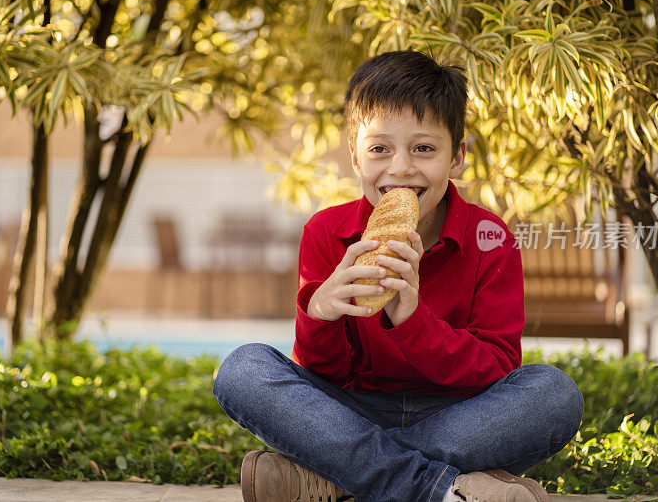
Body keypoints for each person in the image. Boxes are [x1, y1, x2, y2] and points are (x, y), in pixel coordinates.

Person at [212, 50, 584, 502]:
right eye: (379, 149)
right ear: (355, 157)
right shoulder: (327, 233)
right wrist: (321, 312)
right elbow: (324, 375)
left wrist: (412, 320)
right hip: (354, 413)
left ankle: (334, 479)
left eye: (424, 148)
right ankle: (439, 489)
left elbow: (497, 369)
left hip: (459, 415)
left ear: (457, 157)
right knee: (242, 369)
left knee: (554, 393)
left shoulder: (491, 238)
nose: (401, 167)